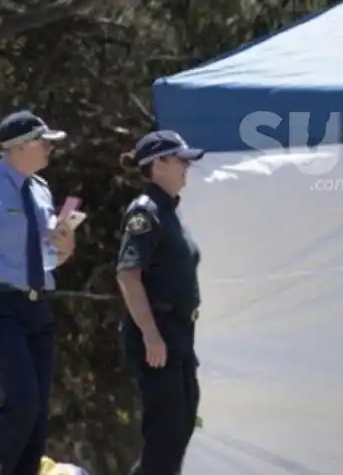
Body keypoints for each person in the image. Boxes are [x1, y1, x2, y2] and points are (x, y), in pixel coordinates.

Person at [0, 110, 75, 475]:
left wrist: (66, 245)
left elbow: (49, 258)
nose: (50, 148)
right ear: (19, 147)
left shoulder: (41, 190)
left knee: (38, 411)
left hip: (37, 308)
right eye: (43, 142)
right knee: (21, 402)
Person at [115, 130, 206, 475]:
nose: (187, 168)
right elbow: (128, 274)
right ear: (159, 165)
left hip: (179, 332)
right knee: (164, 434)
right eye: (181, 161)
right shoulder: (146, 211)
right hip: (158, 331)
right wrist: (151, 334)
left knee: (181, 424)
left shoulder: (169, 212)